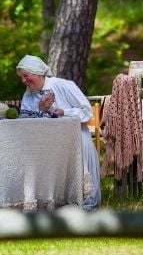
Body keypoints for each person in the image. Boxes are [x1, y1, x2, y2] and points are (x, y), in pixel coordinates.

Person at [15, 54, 102, 209]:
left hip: (75, 138)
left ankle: (86, 206)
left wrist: (62, 112)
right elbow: (25, 121)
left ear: (38, 72)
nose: (24, 81)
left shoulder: (63, 85)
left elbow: (86, 112)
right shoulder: (28, 94)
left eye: (26, 76)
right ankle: (53, 203)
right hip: (48, 143)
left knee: (85, 191)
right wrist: (40, 110)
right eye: (21, 77)